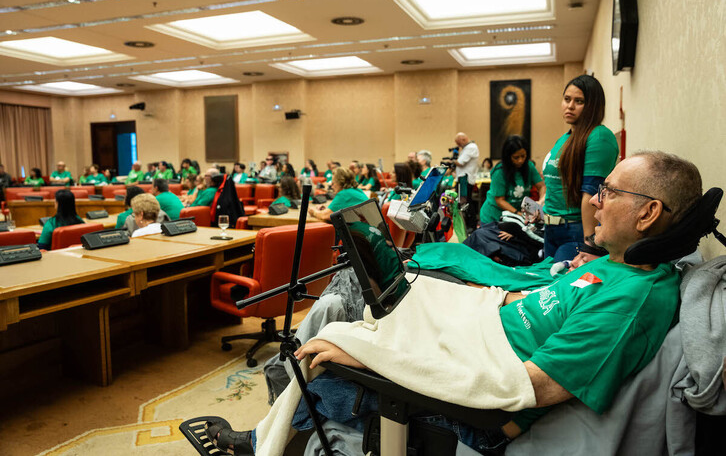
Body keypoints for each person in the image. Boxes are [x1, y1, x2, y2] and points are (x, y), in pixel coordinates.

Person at [199, 151, 701, 455]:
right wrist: (483, 298)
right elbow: (542, 301)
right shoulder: (614, 264)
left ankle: (261, 443)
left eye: (608, 191)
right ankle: (275, 425)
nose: (593, 200)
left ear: (648, 213)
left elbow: (530, 388)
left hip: (480, 396)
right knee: (366, 303)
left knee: (329, 363)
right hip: (475, 336)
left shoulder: (633, 300)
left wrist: (383, 360)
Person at [541, 75, 619, 262]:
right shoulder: (565, 138)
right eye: (567, 99)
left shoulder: (599, 137)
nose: (570, 106)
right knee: (547, 285)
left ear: (593, 105)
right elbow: (555, 184)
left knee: (564, 286)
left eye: (579, 101)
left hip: (576, 230)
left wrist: (589, 243)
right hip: (550, 228)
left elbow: (590, 195)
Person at [479, 135, 546, 224]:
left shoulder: (529, 166)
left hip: (515, 216)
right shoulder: (499, 171)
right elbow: (499, 200)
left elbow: (541, 186)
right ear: (508, 156)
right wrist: (517, 214)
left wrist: (540, 202)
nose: (520, 160)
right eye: (516, 157)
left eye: (523, 156)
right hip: (494, 217)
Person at [453, 132, 480, 198]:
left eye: (459, 143)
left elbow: (460, 163)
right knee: (462, 200)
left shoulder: (470, 147)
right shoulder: (467, 147)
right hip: (463, 179)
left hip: (465, 180)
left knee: (464, 201)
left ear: (463, 139)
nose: (458, 146)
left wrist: (452, 161)